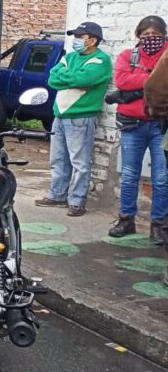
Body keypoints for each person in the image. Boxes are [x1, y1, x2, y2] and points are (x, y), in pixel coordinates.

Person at [35, 21, 112, 217]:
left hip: (81, 117)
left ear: (93, 40)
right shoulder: (69, 56)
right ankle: (58, 194)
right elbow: (52, 78)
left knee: (80, 162)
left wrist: (68, 77)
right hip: (59, 114)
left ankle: (77, 201)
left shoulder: (101, 60)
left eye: (81, 37)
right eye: (76, 36)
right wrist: (72, 77)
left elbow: (84, 79)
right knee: (58, 159)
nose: (76, 40)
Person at [107, 16, 168, 240]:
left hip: (161, 125)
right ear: (138, 36)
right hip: (132, 124)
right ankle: (126, 220)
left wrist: (140, 78)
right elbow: (122, 81)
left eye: (156, 35)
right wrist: (154, 78)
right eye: (145, 35)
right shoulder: (127, 55)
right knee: (129, 174)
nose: (150, 39)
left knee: (162, 177)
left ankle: (159, 225)